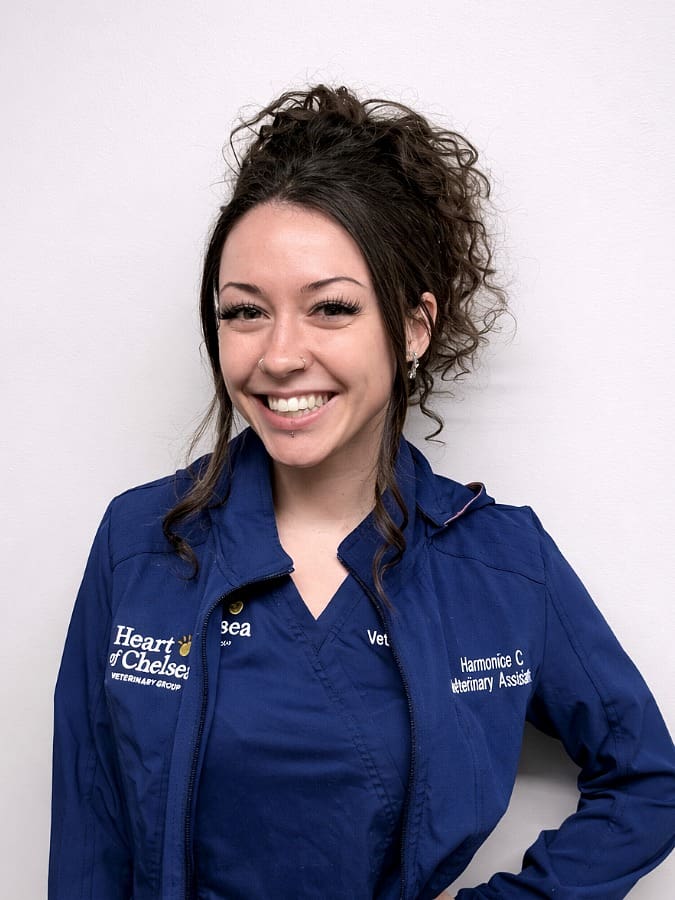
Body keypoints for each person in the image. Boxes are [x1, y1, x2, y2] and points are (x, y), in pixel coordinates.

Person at [49, 85, 675, 900]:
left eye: (331, 308)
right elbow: (90, 826)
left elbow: (647, 783)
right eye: (244, 312)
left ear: (413, 326)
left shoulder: (501, 563)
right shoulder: (138, 540)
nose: (279, 355)